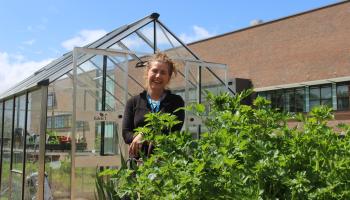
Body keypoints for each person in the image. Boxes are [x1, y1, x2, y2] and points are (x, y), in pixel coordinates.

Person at [122, 52, 185, 158]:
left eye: (163, 72)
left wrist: (143, 134)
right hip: (138, 163)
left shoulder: (176, 102)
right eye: (154, 71)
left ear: (169, 77)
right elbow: (126, 133)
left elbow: (173, 131)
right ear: (147, 73)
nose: (158, 76)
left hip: (165, 163)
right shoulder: (133, 102)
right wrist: (137, 137)